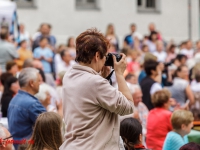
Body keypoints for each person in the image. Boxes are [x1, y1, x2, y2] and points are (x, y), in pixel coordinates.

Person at [60, 29, 134, 150]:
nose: (106, 60)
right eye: (105, 56)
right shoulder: (95, 83)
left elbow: (90, 97)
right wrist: (119, 74)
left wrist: (102, 77)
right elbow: (128, 107)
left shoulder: (69, 76)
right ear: (97, 55)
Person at [7, 68, 46, 150]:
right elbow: (50, 126)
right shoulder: (32, 104)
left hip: (17, 146)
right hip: (29, 146)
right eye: (38, 81)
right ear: (31, 83)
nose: (40, 84)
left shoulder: (14, 100)